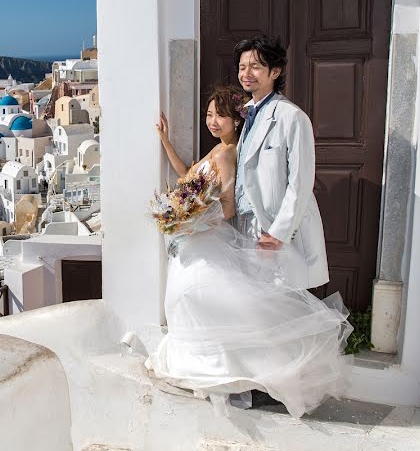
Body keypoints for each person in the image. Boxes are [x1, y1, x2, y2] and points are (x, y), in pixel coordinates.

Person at [149, 83, 350, 418]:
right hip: (194, 240)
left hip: (207, 239)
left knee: (208, 301)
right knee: (193, 301)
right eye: (209, 114)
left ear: (235, 121)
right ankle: (205, 363)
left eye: (221, 116)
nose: (213, 121)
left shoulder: (228, 154)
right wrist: (165, 142)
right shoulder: (216, 149)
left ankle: (225, 368)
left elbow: (227, 208)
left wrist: (195, 221)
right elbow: (187, 175)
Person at [232, 35, 328, 290]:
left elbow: (301, 181)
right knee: (255, 301)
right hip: (246, 226)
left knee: (281, 306)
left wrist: (279, 232)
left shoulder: (292, 117)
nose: (246, 73)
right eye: (242, 67)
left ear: (275, 71)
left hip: (273, 229)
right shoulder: (249, 116)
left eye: (255, 66)